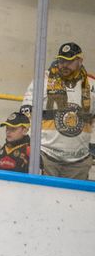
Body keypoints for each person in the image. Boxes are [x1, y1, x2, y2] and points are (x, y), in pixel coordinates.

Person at [21, 42, 92, 180]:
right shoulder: (42, 80)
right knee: (40, 192)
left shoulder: (92, 84)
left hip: (79, 162)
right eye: (61, 60)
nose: (64, 64)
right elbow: (26, 113)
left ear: (80, 60)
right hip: (45, 156)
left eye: (69, 61)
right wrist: (28, 144)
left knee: (74, 194)